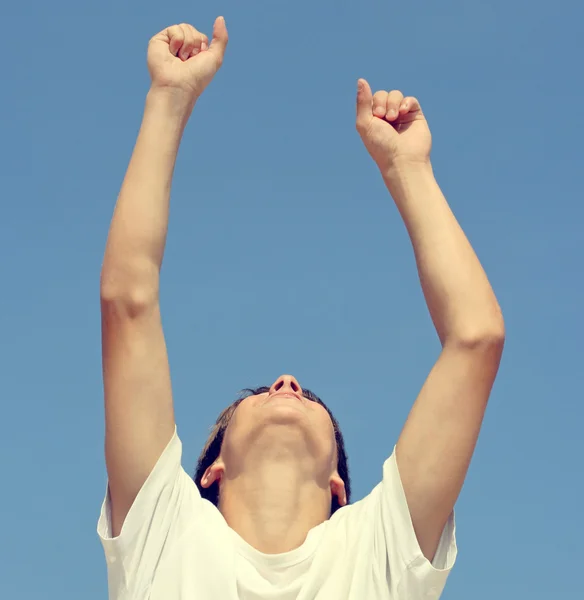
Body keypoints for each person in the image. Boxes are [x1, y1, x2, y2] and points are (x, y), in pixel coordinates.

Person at [97, 16, 505, 600]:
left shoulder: (379, 551)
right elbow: (127, 301)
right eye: (263, 389)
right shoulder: (163, 530)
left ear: (340, 483)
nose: (289, 381)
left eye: (305, 395)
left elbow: (477, 336)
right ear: (209, 471)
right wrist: (168, 97)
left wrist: (408, 167)